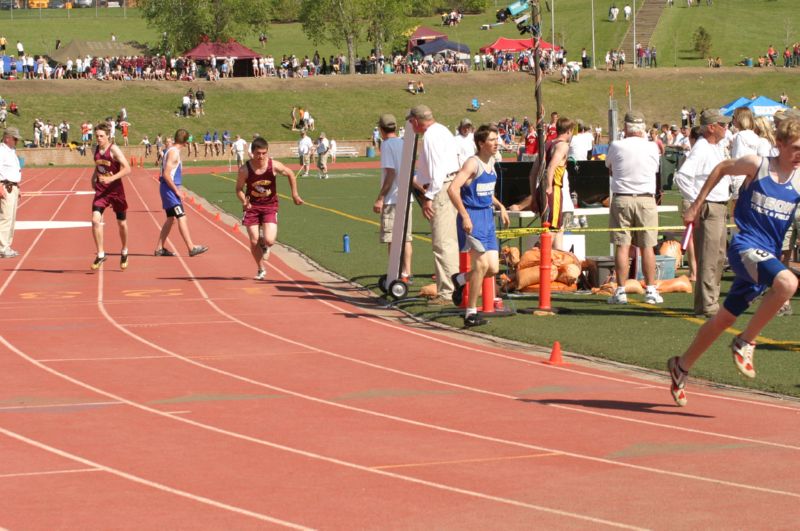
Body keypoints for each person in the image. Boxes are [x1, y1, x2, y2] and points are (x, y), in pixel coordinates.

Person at [667, 115, 800, 407]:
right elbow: (722, 168)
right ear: (779, 145)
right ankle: (745, 341)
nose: (799, 155)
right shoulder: (758, 164)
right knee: (788, 283)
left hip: (767, 255)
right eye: (796, 148)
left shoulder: (799, 179)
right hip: (745, 246)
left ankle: (681, 366)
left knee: (723, 319)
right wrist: (695, 205)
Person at [449, 124, 510, 327]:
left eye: (497, 139)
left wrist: (500, 206)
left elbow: (486, 190)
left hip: (487, 217)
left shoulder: (491, 162)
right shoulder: (472, 164)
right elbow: (453, 189)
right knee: (481, 265)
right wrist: (465, 215)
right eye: (492, 140)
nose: (496, 143)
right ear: (481, 143)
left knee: (492, 269)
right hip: (473, 217)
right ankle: (470, 312)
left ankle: (459, 280)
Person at [674, 109, 731, 317]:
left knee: (716, 256)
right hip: (710, 205)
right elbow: (682, 177)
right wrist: (698, 202)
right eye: (722, 124)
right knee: (710, 256)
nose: (726, 128)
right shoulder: (702, 148)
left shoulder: (714, 146)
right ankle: (708, 304)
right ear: (711, 127)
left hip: (718, 204)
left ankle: (707, 302)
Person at [604, 111, 664, 305]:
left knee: (622, 245)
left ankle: (621, 290)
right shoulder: (652, 147)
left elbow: (609, 167)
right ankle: (651, 289)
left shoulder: (616, 145)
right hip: (646, 199)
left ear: (626, 127)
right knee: (648, 246)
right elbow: (654, 170)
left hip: (622, 198)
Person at [408, 104, 460, 305]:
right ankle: (452, 287)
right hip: (448, 186)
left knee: (442, 243)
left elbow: (438, 170)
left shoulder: (431, 136)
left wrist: (429, 196)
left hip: (441, 189)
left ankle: (448, 293)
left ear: (415, 121)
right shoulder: (442, 131)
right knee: (448, 242)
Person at [236, 137, 303, 280]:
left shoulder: (274, 166)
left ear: (267, 152)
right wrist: (244, 201)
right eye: (258, 153)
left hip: (269, 206)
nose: (261, 156)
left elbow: (291, 174)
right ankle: (260, 269)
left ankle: (265, 245)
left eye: (264, 153)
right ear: (252, 153)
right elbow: (238, 189)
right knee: (254, 241)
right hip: (252, 207)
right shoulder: (244, 170)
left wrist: (294, 194)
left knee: (270, 240)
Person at [154, 129, 208, 258]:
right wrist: (177, 191)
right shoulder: (174, 153)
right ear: (185, 141)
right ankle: (191, 247)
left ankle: (159, 248)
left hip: (167, 188)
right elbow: (167, 174)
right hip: (170, 190)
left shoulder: (170, 150)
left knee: (171, 219)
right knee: (181, 216)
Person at [373, 114, 413, 283]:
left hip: (392, 199)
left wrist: (380, 198)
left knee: (392, 238)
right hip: (405, 197)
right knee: (406, 237)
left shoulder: (387, 145)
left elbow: (390, 173)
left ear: (381, 129)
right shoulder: (404, 143)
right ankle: (406, 273)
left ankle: (394, 273)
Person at [90, 122, 131, 270]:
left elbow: (128, 169)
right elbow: (98, 166)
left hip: (116, 191)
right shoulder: (94, 149)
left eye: (101, 136)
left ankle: (124, 250)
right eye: (97, 136)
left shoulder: (114, 150)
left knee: (121, 223)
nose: (99, 139)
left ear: (108, 136)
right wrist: (94, 177)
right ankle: (101, 254)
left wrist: (111, 179)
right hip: (102, 191)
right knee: (95, 221)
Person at [531, 117, 574, 250]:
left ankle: (555, 265)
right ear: (569, 131)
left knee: (557, 230)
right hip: (553, 190)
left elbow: (532, 174)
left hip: (541, 190)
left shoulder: (546, 145)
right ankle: (536, 258)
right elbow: (551, 167)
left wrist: (534, 196)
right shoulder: (563, 146)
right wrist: (549, 187)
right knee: (552, 231)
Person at [0, 127, 23, 259]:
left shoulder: (11, 150)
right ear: (7, 138)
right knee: (5, 218)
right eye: (15, 139)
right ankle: (2, 248)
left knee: (11, 218)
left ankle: (6, 246)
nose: (16, 141)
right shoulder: (1, 151)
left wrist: (17, 187)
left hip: (13, 187)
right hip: (5, 186)